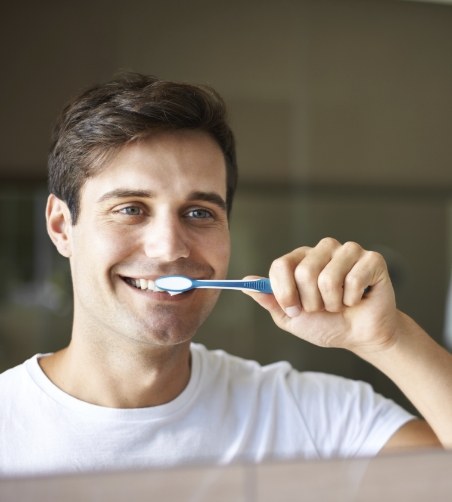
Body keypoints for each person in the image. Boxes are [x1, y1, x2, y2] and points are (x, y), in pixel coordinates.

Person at [0, 72, 450, 477]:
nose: (170, 246)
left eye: (199, 212)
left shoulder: (306, 416)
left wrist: (389, 339)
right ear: (61, 226)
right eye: (130, 209)